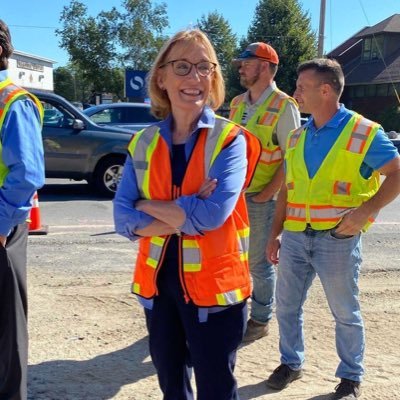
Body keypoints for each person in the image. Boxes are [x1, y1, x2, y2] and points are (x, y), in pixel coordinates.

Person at [114, 29, 260, 400]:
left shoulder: (231, 140)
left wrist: (146, 207)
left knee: (216, 388)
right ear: (160, 77)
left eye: (203, 67)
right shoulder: (142, 143)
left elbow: (212, 216)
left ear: (214, 78)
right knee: (171, 385)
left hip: (215, 290)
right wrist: (187, 210)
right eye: (182, 67)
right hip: (158, 288)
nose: (194, 77)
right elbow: (122, 219)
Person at [265, 58, 400, 399]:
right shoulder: (297, 137)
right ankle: (290, 363)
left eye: (301, 87)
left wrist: (366, 211)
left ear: (325, 91)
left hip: (337, 239)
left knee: (344, 312)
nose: (294, 93)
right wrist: (274, 233)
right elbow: (287, 190)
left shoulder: (364, 131)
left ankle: (351, 377)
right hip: (295, 237)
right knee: (287, 306)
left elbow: (397, 172)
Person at [229, 42, 300, 342]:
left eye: (246, 62)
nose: (241, 68)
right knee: (234, 258)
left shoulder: (285, 106)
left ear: (265, 66)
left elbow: (292, 157)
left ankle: (259, 319)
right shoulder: (236, 103)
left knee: (259, 263)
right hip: (233, 197)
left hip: (261, 199)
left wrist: (266, 194)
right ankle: (233, 310)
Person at [0, 20, 45, 400]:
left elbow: (27, 173)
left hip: (2, 227)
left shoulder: (13, 102)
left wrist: (1, 225)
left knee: (6, 325)